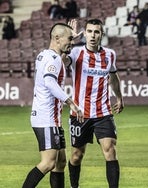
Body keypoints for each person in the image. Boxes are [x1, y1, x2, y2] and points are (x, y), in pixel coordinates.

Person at [62, 18, 124, 188]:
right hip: (80, 114)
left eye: (96, 32)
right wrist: (69, 39)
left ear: (101, 34)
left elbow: (113, 76)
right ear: (85, 33)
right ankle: (75, 186)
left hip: (103, 112)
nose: (92, 35)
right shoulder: (76, 53)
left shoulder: (110, 54)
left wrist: (119, 97)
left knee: (110, 150)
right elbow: (60, 61)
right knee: (76, 155)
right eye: (89, 31)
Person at [22, 23, 84, 188]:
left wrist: (71, 38)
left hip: (51, 119)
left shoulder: (47, 55)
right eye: (69, 39)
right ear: (57, 38)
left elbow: (61, 59)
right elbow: (50, 82)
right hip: (46, 118)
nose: (72, 42)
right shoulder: (53, 58)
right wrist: (72, 103)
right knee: (48, 163)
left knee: (60, 162)